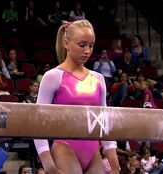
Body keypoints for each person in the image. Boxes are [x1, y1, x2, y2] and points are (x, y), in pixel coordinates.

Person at [34, 19, 119, 173]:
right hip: (65, 149)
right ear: (66, 43)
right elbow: (37, 123)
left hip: (93, 152)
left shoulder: (98, 79)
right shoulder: (53, 76)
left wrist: (114, 163)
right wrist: (48, 164)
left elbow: (104, 123)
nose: (87, 51)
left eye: (91, 46)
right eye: (82, 45)